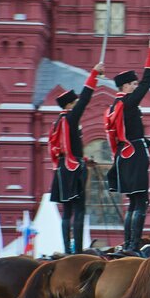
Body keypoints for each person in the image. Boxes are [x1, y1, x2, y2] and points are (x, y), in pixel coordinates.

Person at [105, 37, 150, 253]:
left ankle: (129, 243)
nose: (137, 86)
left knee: (134, 201)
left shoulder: (117, 105)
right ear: (126, 86)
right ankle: (132, 245)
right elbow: (148, 79)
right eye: (134, 84)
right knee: (141, 201)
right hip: (134, 155)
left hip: (124, 155)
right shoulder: (127, 102)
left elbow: (132, 133)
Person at [48, 62, 103, 254]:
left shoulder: (59, 122)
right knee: (79, 210)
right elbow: (86, 96)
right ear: (70, 105)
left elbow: (66, 148)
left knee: (67, 213)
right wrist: (94, 73)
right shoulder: (71, 118)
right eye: (75, 102)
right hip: (73, 170)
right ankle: (78, 251)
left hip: (62, 169)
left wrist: (85, 159)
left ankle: (67, 249)